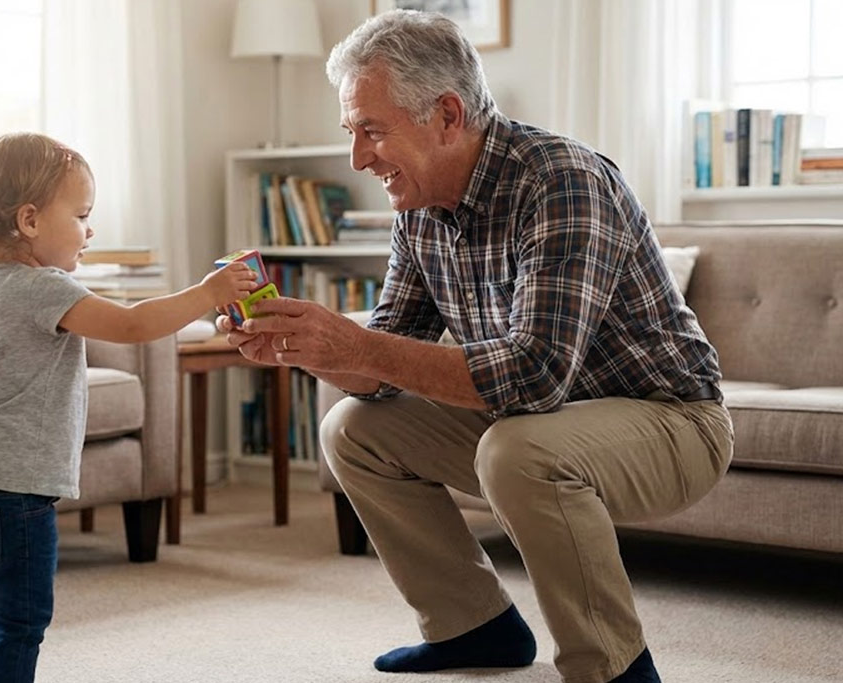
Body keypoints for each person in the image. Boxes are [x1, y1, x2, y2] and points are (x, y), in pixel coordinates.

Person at [218, 10, 733, 683]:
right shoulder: (419, 210)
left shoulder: (561, 180)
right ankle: (473, 626)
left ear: (448, 115)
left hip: (672, 422)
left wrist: (358, 346)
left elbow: (536, 375)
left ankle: (613, 668)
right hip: (537, 421)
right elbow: (385, 369)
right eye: (352, 133)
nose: (358, 158)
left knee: (516, 450)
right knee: (352, 428)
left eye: (373, 130)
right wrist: (305, 346)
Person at [0, 132, 256, 683]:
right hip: (13, 495)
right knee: (20, 624)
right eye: (82, 216)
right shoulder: (44, 287)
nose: (91, 230)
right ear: (29, 220)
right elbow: (132, 325)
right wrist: (207, 293)